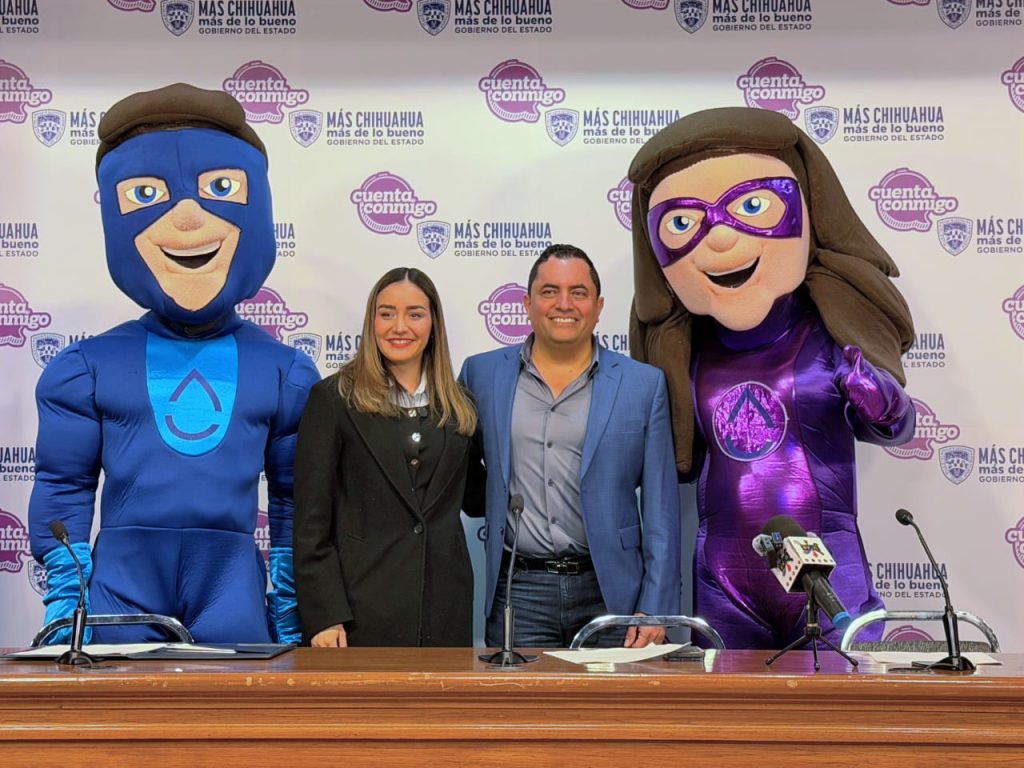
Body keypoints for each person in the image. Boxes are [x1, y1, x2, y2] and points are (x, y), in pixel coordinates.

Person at [28, 83, 319, 644]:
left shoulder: (285, 372)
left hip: (230, 581)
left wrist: (287, 608)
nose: (187, 217)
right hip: (120, 586)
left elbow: (294, 499)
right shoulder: (86, 368)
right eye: (145, 194)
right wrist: (68, 602)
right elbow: (64, 485)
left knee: (236, 702)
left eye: (221, 188)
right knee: (120, 703)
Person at [628, 106, 915, 649]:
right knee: (728, 705)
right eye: (683, 222)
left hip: (827, 573)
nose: (719, 239)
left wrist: (881, 399)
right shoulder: (683, 350)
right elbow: (673, 466)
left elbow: (895, 428)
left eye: (752, 206)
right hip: (723, 578)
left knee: (839, 699)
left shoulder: (828, 332)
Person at [459, 244, 680, 648]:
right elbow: (460, 474)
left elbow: (661, 508)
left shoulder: (643, 385)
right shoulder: (481, 375)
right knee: (518, 693)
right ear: (527, 304)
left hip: (613, 591)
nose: (564, 304)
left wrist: (656, 605)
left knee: (614, 694)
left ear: (598, 307)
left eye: (578, 292)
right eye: (549, 291)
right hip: (519, 592)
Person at [294, 268, 479, 647]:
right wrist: (325, 615)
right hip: (359, 613)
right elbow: (311, 523)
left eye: (415, 314)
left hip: (445, 611)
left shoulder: (460, 406)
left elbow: (477, 497)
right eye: (387, 313)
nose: (399, 326)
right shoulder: (333, 400)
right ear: (372, 321)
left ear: (433, 324)